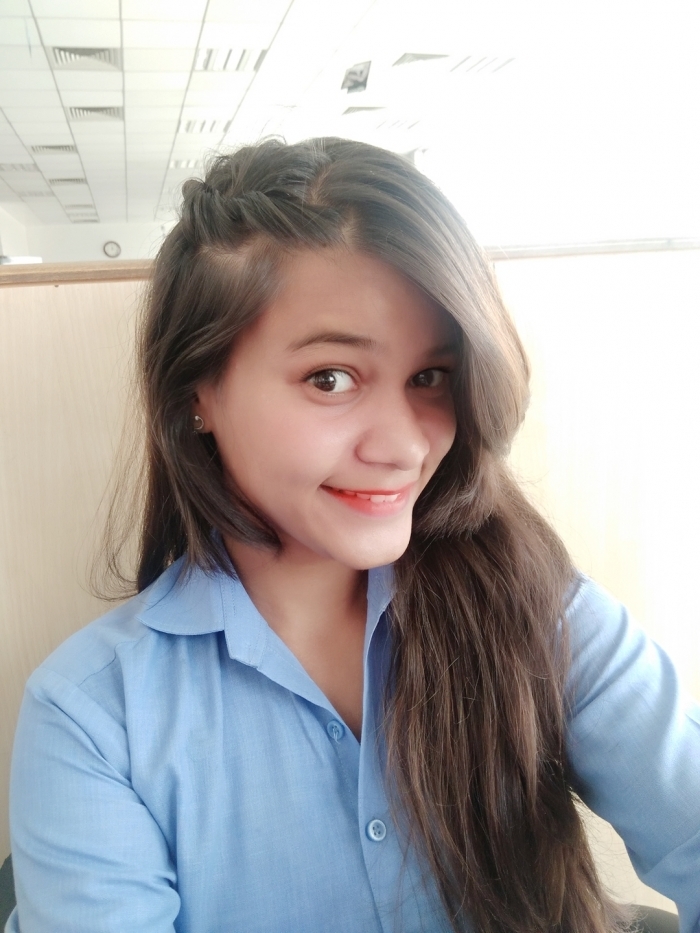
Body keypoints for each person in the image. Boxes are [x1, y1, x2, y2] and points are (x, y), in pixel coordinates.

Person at [6, 138, 700, 933]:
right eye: (330, 378)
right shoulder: (96, 715)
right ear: (197, 391)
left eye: (431, 377)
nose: (404, 445)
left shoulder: (541, 613)